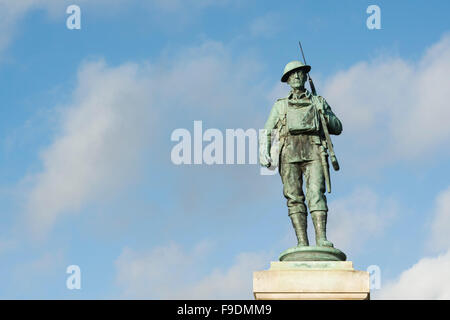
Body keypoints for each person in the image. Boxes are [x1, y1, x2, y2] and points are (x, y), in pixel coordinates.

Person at [260, 60, 343, 247]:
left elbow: (338, 127)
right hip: (288, 152)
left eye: (300, 73)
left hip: (314, 149)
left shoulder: (318, 101)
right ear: (287, 80)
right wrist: (263, 151)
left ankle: (321, 238)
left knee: (316, 193)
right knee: (294, 197)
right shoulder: (280, 106)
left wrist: (326, 115)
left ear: (305, 77)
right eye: (293, 74)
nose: (296, 76)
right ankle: (302, 242)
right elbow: (267, 131)